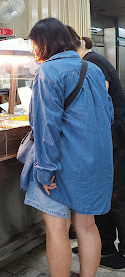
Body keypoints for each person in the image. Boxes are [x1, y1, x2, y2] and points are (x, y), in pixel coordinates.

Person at [22, 17, 113, 277]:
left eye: (34, 45)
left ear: (43, 44)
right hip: (96, 161)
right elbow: (107, 115)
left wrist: (44, 169)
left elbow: (45, 126)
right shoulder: (92, 69)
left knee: (56, 229)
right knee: (87, 226)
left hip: (62, 164)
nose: (33, 51)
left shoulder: (47, 72)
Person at [67, 26, 125, 269]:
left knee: (117, 197)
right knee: (105, 194)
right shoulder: (89, 61)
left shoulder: (92, 63)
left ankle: (122, 253)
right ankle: (103, 244)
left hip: (114, 136)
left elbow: (98, 104)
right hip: (106, 136)